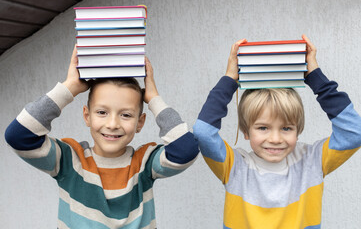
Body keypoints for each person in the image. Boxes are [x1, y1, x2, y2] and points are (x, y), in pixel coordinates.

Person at [4, 45, 199, 229]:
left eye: (126, 115)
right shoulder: (70, 160)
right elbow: (18, 136)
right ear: (87, 116)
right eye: (102, 112)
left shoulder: (144, 163)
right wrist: (69, 87)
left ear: (140, 123)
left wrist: (154, 99)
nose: (113, 124)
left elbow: (185, 150)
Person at [193, 35, 361, 228]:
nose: (275, 139)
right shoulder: (234, 167)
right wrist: (230, 79)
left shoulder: (312, 161)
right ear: (246, 131)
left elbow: (355, 132)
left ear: (298, 131)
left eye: (286, 128)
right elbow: (203, 132)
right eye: (263, 128)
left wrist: (315, 77)